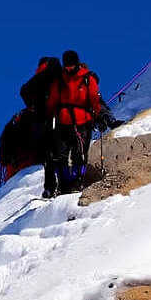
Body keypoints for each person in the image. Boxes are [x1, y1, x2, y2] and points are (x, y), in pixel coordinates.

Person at [44, 50, 101, 196]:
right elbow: (53, 100)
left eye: (71, 65)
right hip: (64, 122)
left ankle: (77, 182)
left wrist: (98, 115)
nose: (69, 68)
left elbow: (94, 98)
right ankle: (64, 184)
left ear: (76, 63)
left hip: (83, 121)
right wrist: (50, 116)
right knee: (61, 155)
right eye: (67, 65)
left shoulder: (87, 78)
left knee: (79, 154)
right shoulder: (60, 80)